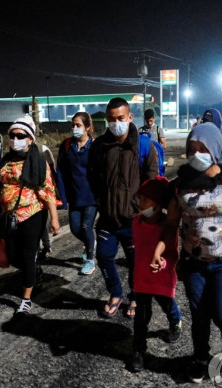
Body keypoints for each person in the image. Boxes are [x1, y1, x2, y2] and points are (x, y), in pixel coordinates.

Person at [154, 122, 222, 384]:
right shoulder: (181, 186)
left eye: (202, 148)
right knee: (198, 314)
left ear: (213, 149)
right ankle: (201, 357)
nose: (195, 153)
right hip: (193, 264)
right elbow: (170, 225)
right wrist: (159, 252)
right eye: (192, 148)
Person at [88, 97, 159, 319]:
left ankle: (136, 296)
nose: (115, 123)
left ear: (130, 118)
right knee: (104, 256)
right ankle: (116, 294)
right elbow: (92, 176)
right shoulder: (99, 146)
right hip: (108, 218)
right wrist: (103, 201)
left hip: (134, 220)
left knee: (135, 263)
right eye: (111, 119)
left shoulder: (145, 145)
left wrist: (142, 210)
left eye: (120, 118)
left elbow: (153, 182)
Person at [0, 116, 60, 314]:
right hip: (7, 216)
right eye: (12, 135)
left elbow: (48, 191)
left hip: (32, 214)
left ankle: (26, 298)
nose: (15, 139)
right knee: (12, 257)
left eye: (21, 135)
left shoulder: (37, 161)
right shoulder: (6, 160)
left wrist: (54, 219)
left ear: (30, 139)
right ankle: (34, 271)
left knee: (28, 255)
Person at [129, 177, 182, 372]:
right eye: (140, 198)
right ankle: (138, 350)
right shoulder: (136, 222)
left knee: (168, 304)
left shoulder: (167, 228)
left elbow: (172, 253)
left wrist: (162, 263)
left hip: (161, 277)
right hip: (142, 277)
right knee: (141, 316)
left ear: (158, 205)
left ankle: (175, 322)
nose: (140, 203)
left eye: (145, 199)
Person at [56, 111, 98, 275]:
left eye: (78, 125)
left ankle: (90, 260)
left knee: (86, 226)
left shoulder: (95, 146)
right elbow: (61, 171)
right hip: (74, 195)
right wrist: (62, 196)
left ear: (87, 127)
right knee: (74, 228)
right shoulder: (67, 145)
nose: (75, 128)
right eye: (73, 125)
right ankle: (90, 242)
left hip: (91, 196)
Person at [36, 141, 57, 262]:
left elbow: (51, 164)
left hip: (42, 192)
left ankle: (46, 246)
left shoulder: (41, 148)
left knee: (42, 221)